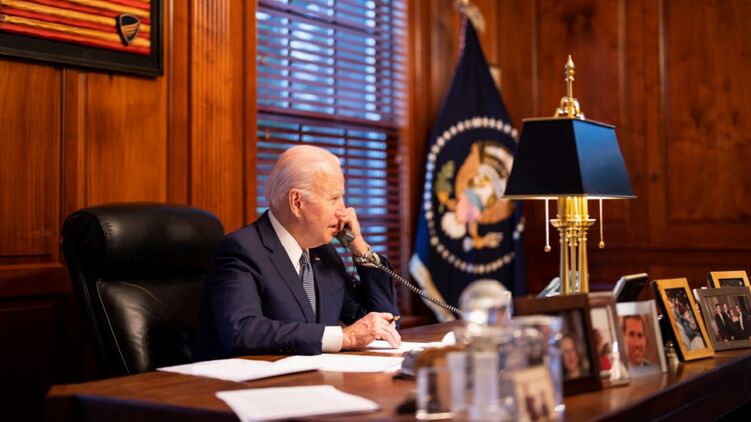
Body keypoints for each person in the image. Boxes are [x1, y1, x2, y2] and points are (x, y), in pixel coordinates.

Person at [196, 145, 401, 359]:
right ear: (297, 202)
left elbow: (383, 324)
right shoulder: (242, 249)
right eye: (333, 199)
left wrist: (359, 247)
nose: (344, 211)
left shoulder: (325, 254)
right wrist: (344, 337)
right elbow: (242, 331)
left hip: (312, 376)